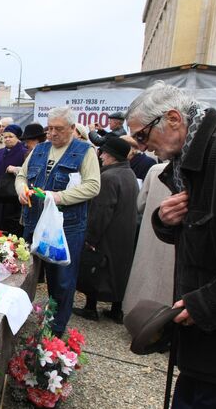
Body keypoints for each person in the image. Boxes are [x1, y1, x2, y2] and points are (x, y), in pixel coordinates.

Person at [125, 81, 216, 407]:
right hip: (203, 340)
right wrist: (165, 221)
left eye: (142, 136)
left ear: (172, 118)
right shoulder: (189, 157)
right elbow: (208, 235)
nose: (140, 147)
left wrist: (205, 304)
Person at [15, 106, 101, 337]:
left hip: (67, 227)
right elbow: (22, 175)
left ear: (73, 129)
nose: (52, 134)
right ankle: (19, 318)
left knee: (62, 281)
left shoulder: (85, 151)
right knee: (25, 272)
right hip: (35, 222)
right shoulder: (40, 149)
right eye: (49, 128)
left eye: (58, 129)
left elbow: (93, 186)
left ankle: (55, 331)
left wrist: (59, 196)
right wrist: (21, 189)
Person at [73, 137, 139, 324]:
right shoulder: (129, 173)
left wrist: (90, 238)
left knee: (95, 268)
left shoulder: (108, 177)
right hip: (124, 233)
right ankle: (116, 310)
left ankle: (90, 308)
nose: (101, 156)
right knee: (119, 270)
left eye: (104, 153)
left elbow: (101, 211)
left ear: (112, 156)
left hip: (107, 234)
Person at [122, 162, 174, 316]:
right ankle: (164, 319)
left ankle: (137, 315)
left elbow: (140, 203)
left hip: (151, 231)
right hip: (174, 237)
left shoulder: (156, 170)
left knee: (146, 275)